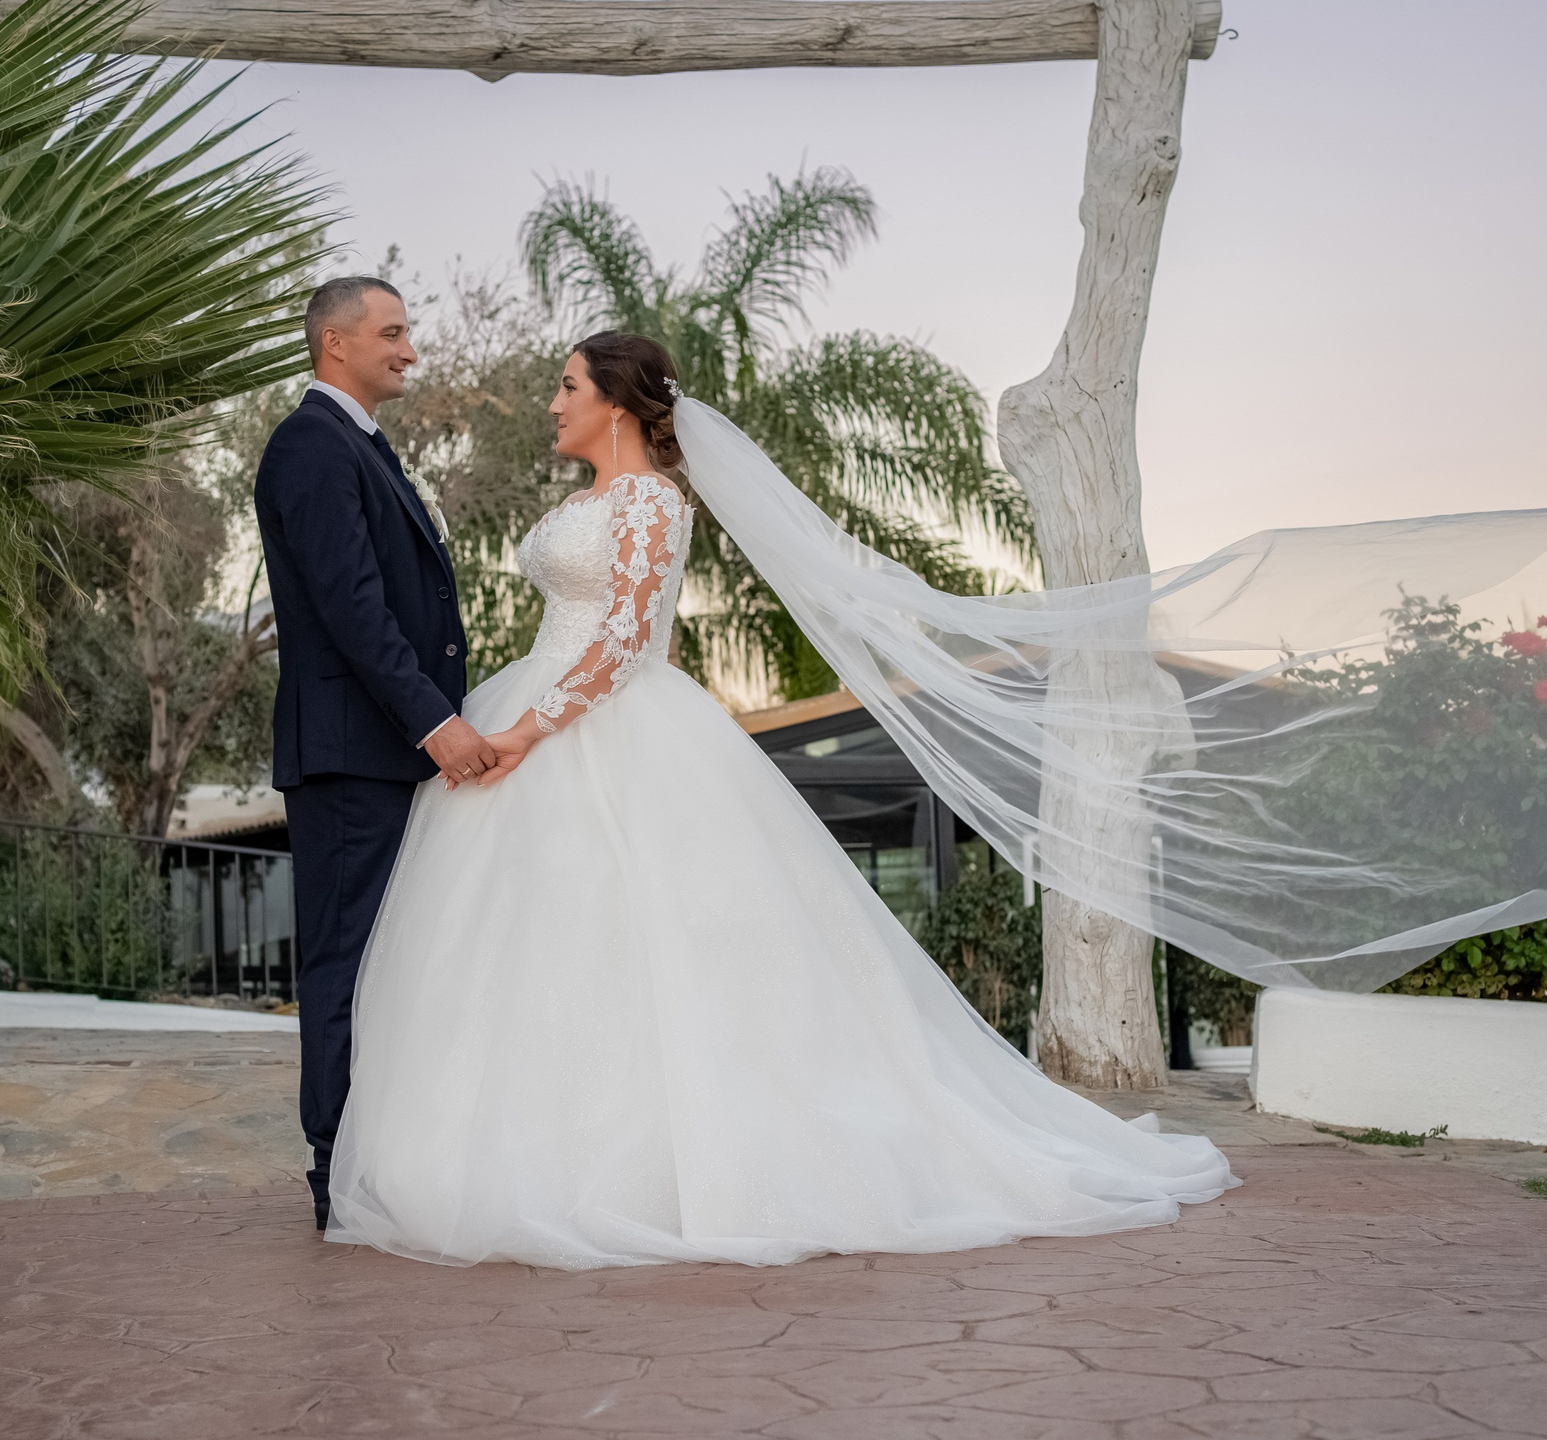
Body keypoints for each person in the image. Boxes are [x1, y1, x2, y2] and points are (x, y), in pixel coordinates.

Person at [323, 332, 1240, 1268]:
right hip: (539, 706)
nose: (553, 404)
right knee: (530, 941)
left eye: (567, 387)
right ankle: (516, 1147)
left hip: (594, 720)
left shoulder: (652, 501)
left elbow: (629, 639)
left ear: (618, 404)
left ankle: (657, 1161)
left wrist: (528, 728)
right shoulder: (586, 502)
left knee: (646, 936)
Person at [253, 276, 509, 1233]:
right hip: (352, 756)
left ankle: (379, 1160)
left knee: (390, 962)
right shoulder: (311, 446)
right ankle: (336, 1173)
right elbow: (352, 605)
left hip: (383, 753)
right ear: (336, 343)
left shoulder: (359, 443)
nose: (410, 348)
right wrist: (434, 722)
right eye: (392, 332)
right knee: (347, 964)